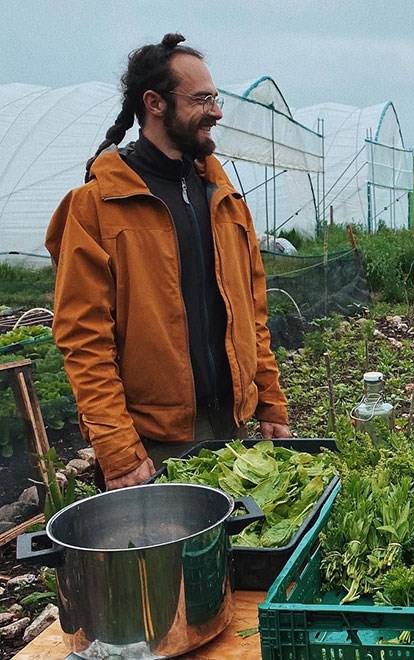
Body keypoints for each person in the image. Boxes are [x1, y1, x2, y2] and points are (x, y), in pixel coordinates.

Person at [46, 33, 290, 490]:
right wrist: (118, 451)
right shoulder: (96, 207)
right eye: (202, 100)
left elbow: (252, 316)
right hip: (152, 448)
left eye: (215, 98)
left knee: (236, 558)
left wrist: (270, 402)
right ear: (155, 103)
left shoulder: (226, 200)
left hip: (231, 431)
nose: (216, 112)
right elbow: (85, 341)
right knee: (171, 565)